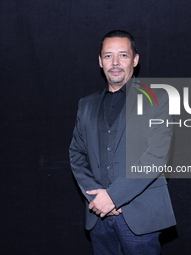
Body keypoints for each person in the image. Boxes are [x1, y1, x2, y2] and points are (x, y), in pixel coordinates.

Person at [69, 30, 175, 255]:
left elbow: (156, 156)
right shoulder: (86, 105)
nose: (115, 62)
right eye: (108, 56)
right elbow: (77, 153)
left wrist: (113, 197)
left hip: (140, 217)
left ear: (135, 60)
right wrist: (96, 198)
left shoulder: (157, 98)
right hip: (98, 217)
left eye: (123, 55)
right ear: (100, 61)